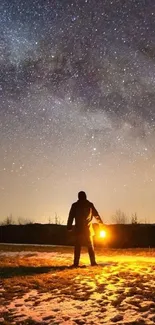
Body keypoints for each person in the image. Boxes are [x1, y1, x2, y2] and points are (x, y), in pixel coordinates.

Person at [67, 191, 103, 267]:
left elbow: (71, 216)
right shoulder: (89, 205)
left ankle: (76, 263)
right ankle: (93, 262)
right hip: (88, 229)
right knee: (90, 246)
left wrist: (69, 226)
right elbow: (96, 215)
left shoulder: (75, 205)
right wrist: (101, 223)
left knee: (78, 246)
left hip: (79, 229)